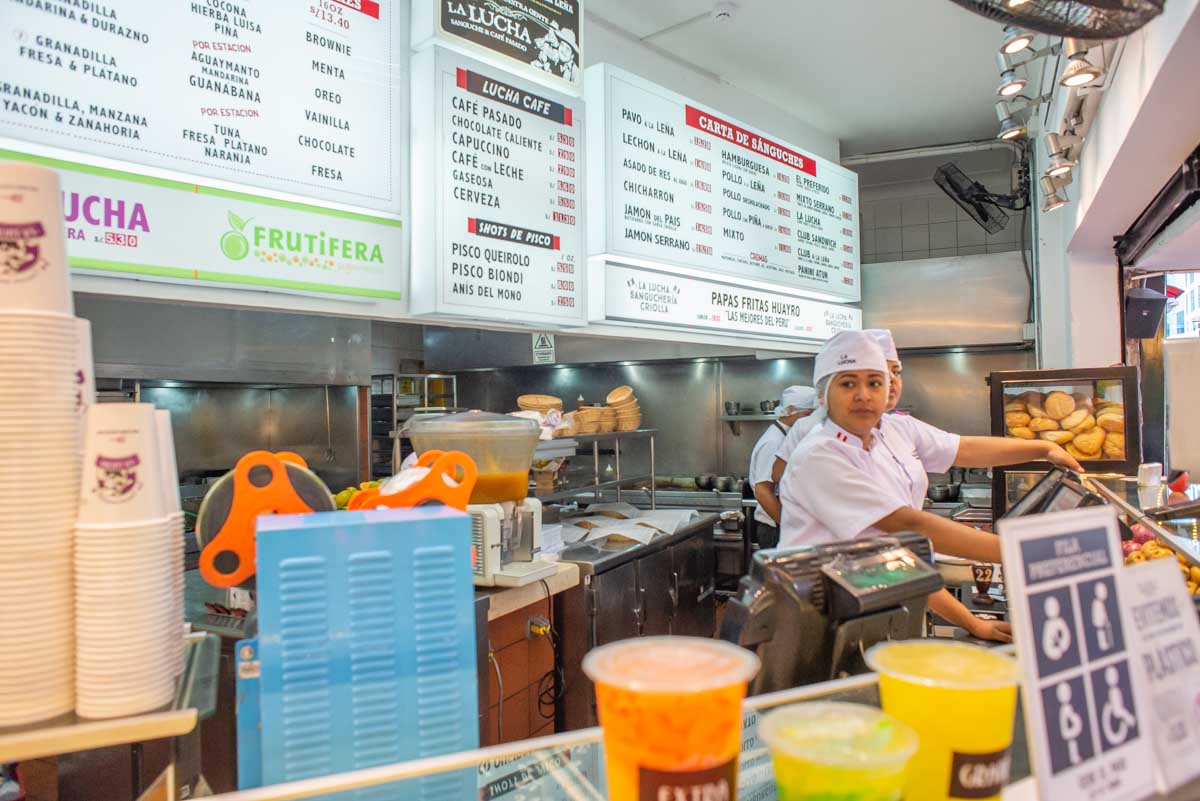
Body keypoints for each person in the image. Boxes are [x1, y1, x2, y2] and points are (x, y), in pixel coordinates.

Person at [777, 330, 1081, 643]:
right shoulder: (819, 455)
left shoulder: (888, 431)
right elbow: (908, 527)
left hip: (878, 602)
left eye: (876, 381)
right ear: (824, 394)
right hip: (819, 619)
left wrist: (1042, 449)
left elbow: (963, 450)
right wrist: (1033, 551)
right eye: (848, 383)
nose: (864, 395)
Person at [747, 386, 816, 547]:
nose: (810, 422)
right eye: (808, 415)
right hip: (774, 528)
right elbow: (763, 491)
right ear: (791, 410)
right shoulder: (774, 441)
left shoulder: (785, 437)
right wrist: (787, 526)